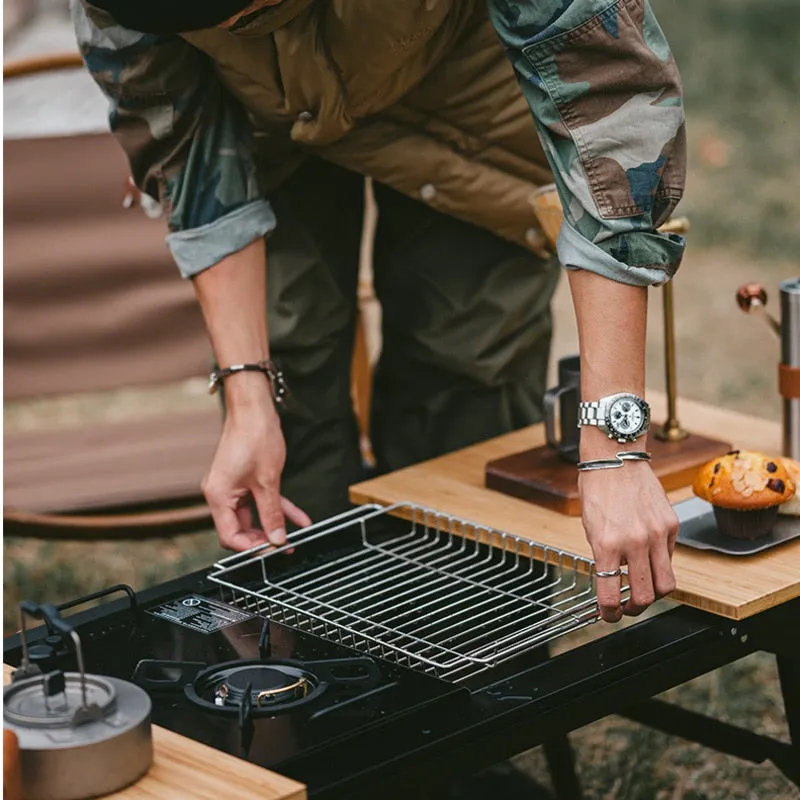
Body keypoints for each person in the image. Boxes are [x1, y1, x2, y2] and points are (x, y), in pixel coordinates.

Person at [73, 0, 684, 624]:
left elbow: (613, 115)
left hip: (463, 92)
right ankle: (313, 685)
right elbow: (187, 149)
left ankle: (483, 676)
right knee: (287, 400)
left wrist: (614, 450)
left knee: (468, 372)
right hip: (263, 118)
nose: (232, 30)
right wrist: (248, 393)